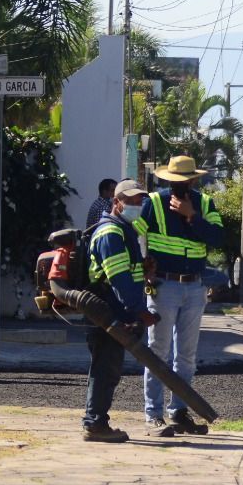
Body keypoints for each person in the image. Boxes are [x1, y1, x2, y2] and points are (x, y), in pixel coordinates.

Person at [132, 156, 223, 437]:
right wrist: (141, 266)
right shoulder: (154, 202)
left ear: (193, 180)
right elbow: (133, 236)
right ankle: (153, 415)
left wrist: (191, 215)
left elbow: (218, 238)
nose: (179, 185)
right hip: (164, 286)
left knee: (186, 356)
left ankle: (178, 412)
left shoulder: (204, 203)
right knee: (158, 351)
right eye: (174, 181)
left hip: (195, 288)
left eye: (184, 181)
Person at [81, 179, 158, 443]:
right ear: (116, 202)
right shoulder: (111, 233)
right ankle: (95, 424)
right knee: (105, 369)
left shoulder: (123, 230)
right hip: (105, 312)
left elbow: (127, 272)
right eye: (131, 202)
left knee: (107, 368)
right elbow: (119, 279)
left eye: (139, 202)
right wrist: (139, 311)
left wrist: (143, 270)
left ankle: (96, 422)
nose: (137, 206)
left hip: (111, 312)